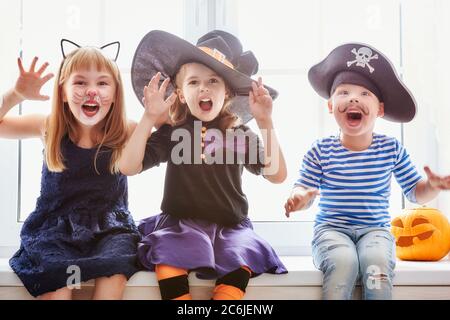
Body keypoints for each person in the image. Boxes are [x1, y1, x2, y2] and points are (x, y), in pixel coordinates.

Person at [120, 30, 288, 300]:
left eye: (213, 81)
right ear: (181, 94)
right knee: (168, 259)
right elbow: (128, 167)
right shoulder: (174, 133)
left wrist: (266, 122)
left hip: (230, 228)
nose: (204, 88)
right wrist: (149, 118)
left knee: (240, 262)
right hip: (180, 226)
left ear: (228, 93)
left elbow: (277, 175)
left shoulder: (241, 134)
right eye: (194, 82)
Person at [284, 43, 450, 300]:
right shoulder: (320, 150)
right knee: (343, 262)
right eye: (344, 92)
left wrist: (432, 186)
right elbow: (302, 189)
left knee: (376, 265)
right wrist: (300, 197)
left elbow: (416, 193)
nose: (354, 98)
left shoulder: (391, 148)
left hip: (375, 231)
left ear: (380, 110)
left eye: (364, 93)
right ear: (330, 105)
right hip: (331, 230)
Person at [2, 40, 141, 299]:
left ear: (115, 93)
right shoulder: (49, 126)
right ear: (63, 92)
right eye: (80, 82)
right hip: (55, 230)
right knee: (57, 282)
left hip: (110, 230)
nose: (92, 92)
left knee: (114, 274)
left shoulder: (128, 130)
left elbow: (172, 137)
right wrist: (16, 94)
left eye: (102, 83)